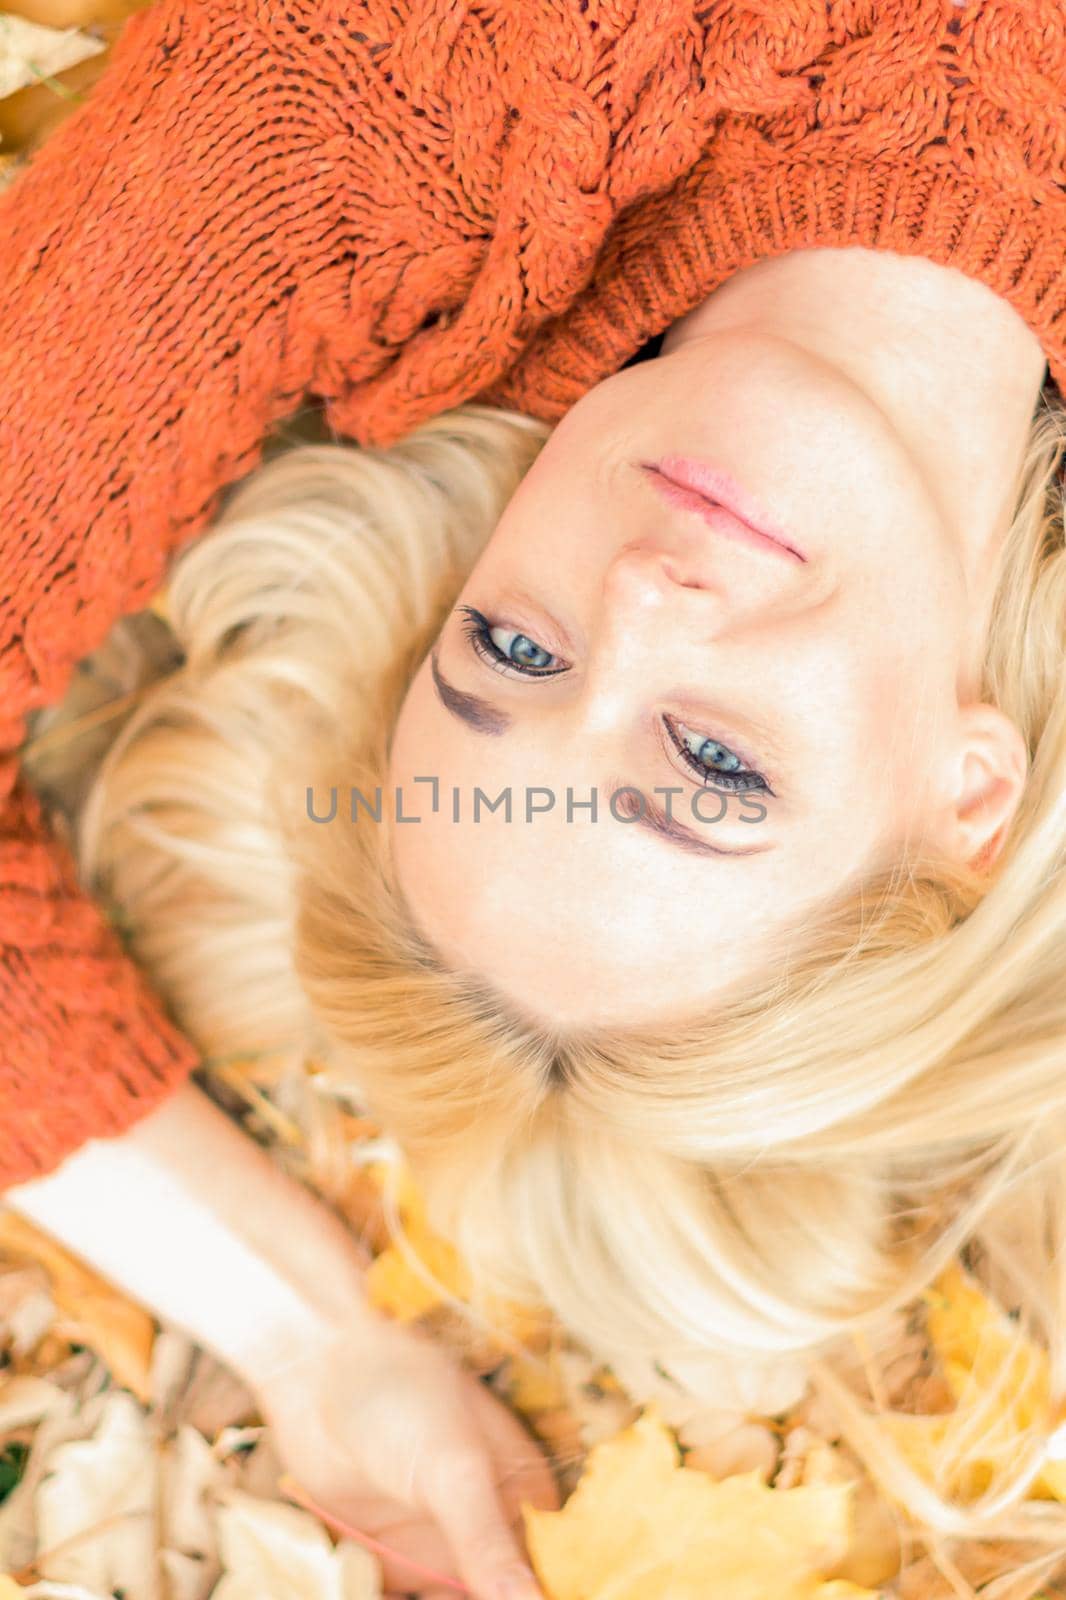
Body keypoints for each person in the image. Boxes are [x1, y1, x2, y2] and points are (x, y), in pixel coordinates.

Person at [6, 0, 1066, 1593]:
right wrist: (311, 1333)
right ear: (963, 798)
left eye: (509, 646)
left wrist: (306, 1330)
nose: (637, 602)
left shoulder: (377, 127)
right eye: (711, 765)